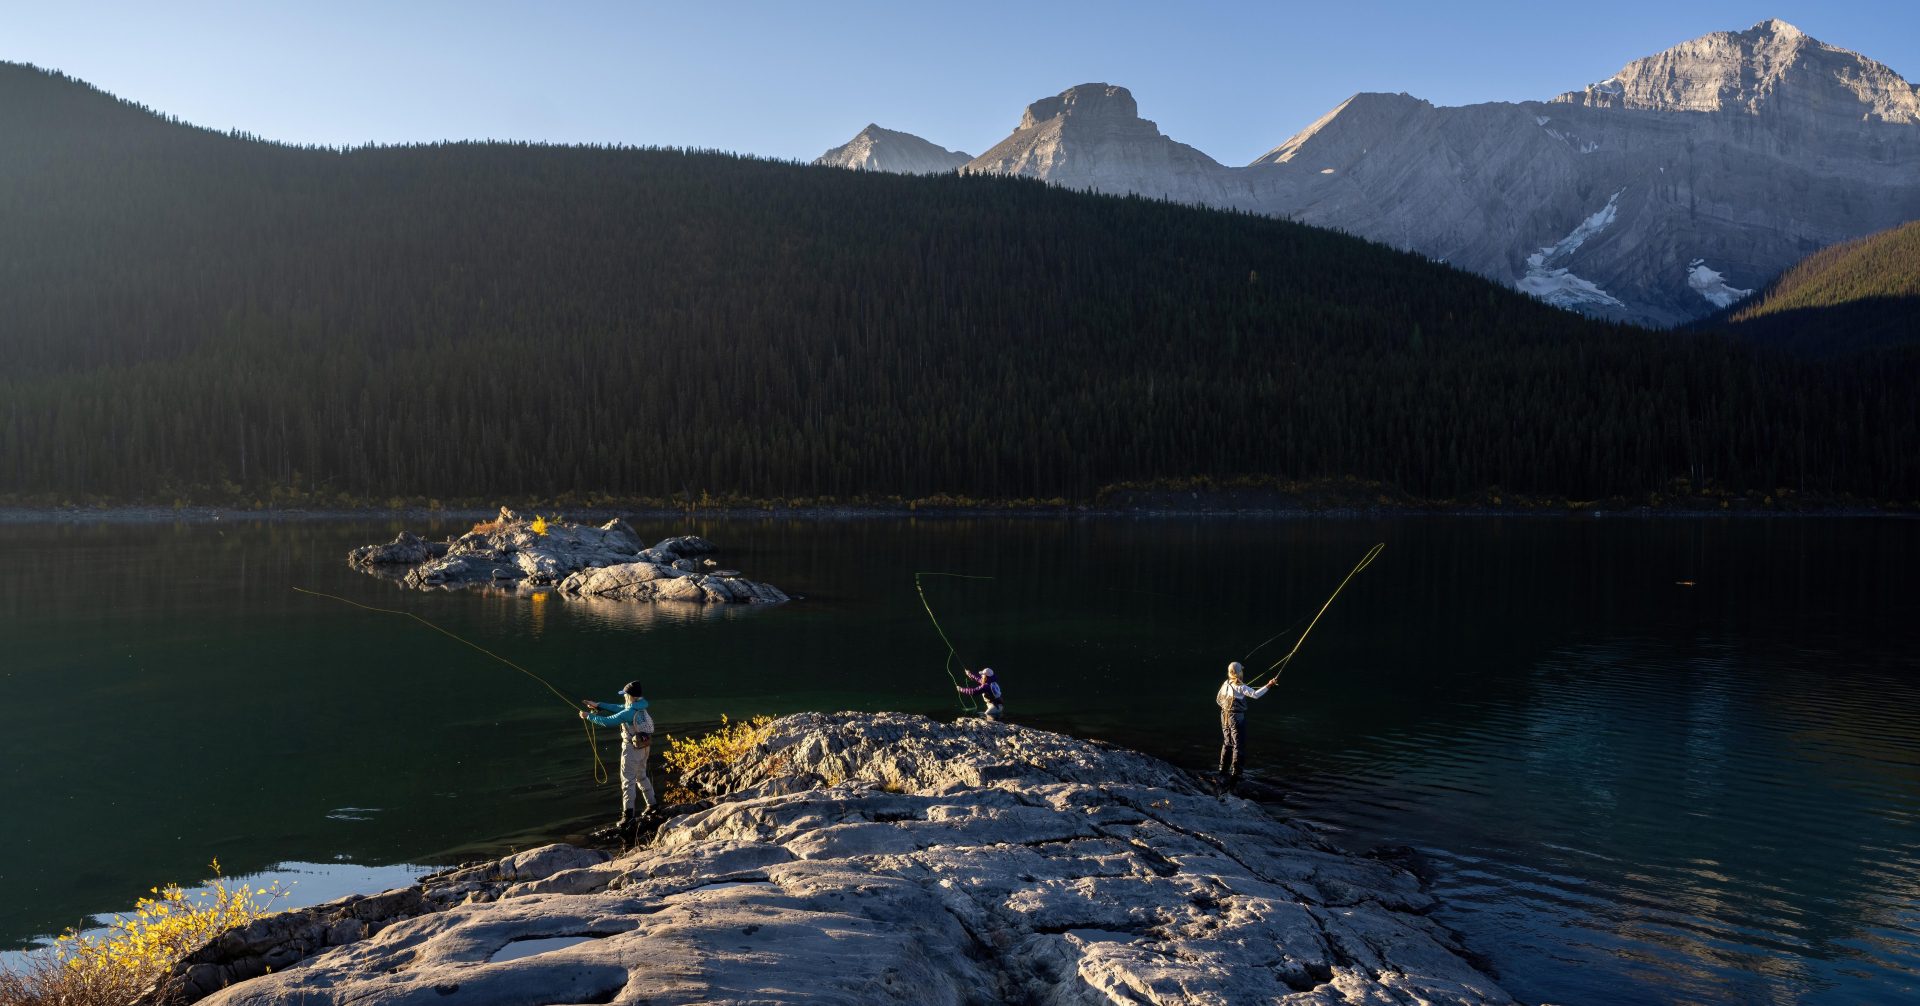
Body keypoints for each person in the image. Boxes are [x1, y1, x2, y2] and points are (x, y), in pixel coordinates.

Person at [581, 680, 656, 843]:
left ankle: (628, 816)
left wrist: (589, 717)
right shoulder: (641, 705)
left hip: (631, 749)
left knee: (627, 782)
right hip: (644, 746)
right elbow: (618, 708)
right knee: (641, 776)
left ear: (630, 696)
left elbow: (609, 721)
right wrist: (598, 705)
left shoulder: (629, 712)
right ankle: (652, 806)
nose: (624, 698)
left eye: (625, 695)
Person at [1216, 661, 1270, 786]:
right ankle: (1236, 773)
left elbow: (1218, 700)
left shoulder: (1225, 683)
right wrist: (1269, 685)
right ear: (1239, 672)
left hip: (1224, 716)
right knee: (1238, 745)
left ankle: (1222, 770)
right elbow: (1255, 695)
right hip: (1237, 718)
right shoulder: (1239, 686)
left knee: (1227, 743)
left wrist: (1227, 708)